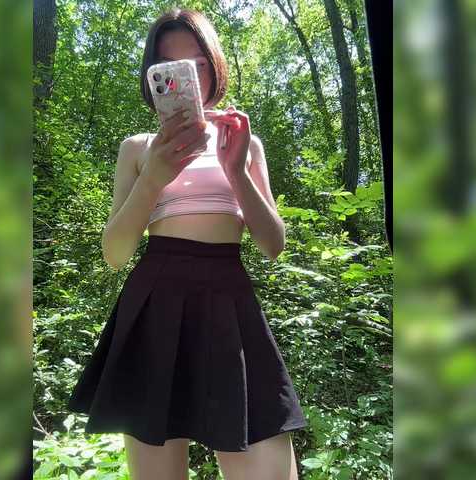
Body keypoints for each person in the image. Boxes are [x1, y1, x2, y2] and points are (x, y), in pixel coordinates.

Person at [67, 8, 307, 480]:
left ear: (215, 67)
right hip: (155, 304)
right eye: (171, 67)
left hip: (230, 303)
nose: (188, 79)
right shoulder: (138, 148)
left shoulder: (245, 142)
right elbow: (115, 255)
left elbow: (272, 244)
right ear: (153, 77)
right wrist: (153, 176)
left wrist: (236, 170)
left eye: (198, 64)